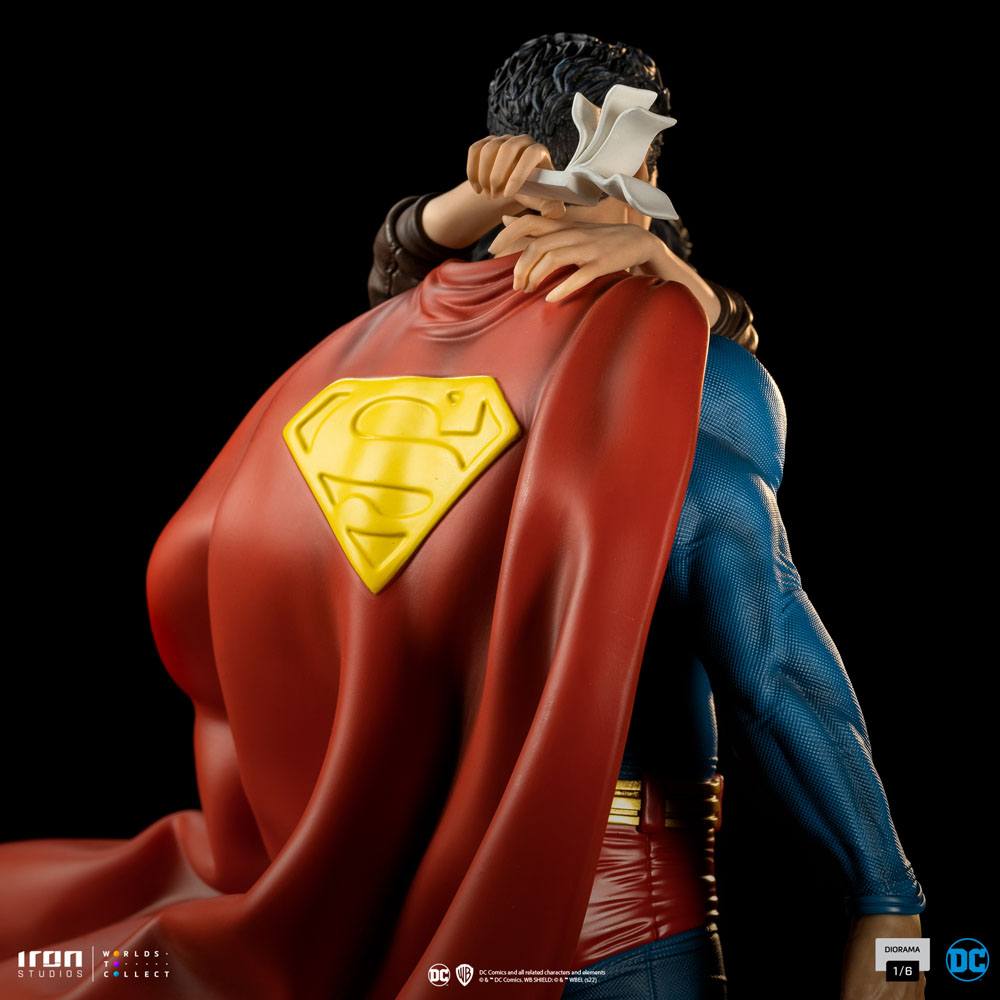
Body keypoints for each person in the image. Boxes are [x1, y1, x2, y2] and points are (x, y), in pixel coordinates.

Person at [365, 32, 926, 1000]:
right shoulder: (689, 395)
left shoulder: (372, 375)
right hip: (611, 918)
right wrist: (890, 902)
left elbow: (399, 279)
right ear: (644, 174)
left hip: (401, 905)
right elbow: (772, 668)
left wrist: (451, 219)